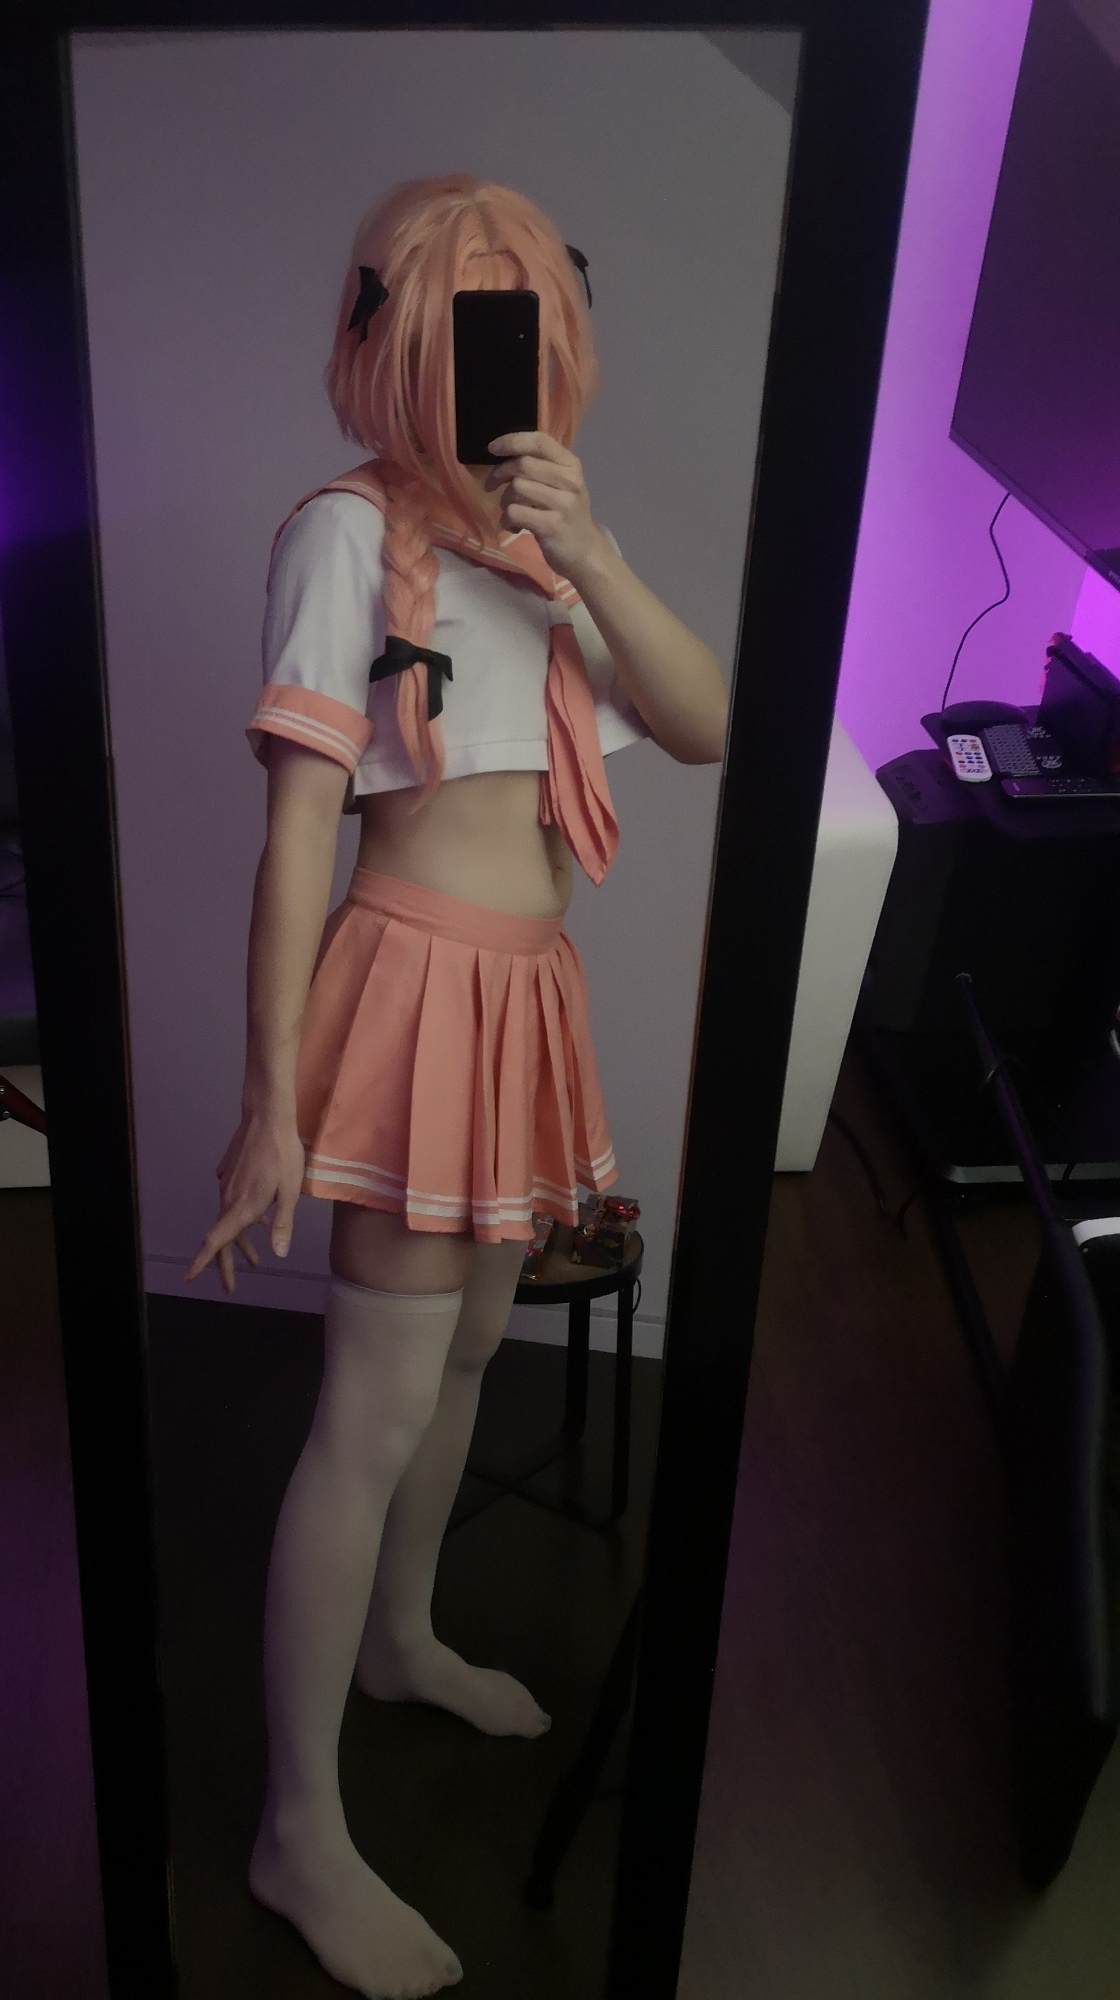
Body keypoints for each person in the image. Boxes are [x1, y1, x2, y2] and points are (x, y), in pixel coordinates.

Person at [185, 174, 726, 1999]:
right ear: (394, 344)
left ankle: (401, 1637)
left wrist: (597, 554)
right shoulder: (345, 533)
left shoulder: (542, 545)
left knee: (473, 1357)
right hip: (417, 991)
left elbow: (708, 724)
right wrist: (270, 1102)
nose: (506, 374)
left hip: (526, 995)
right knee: (371, 1407)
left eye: (531, 336)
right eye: (469, 336)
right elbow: (298, 832)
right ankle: (296, 1831)